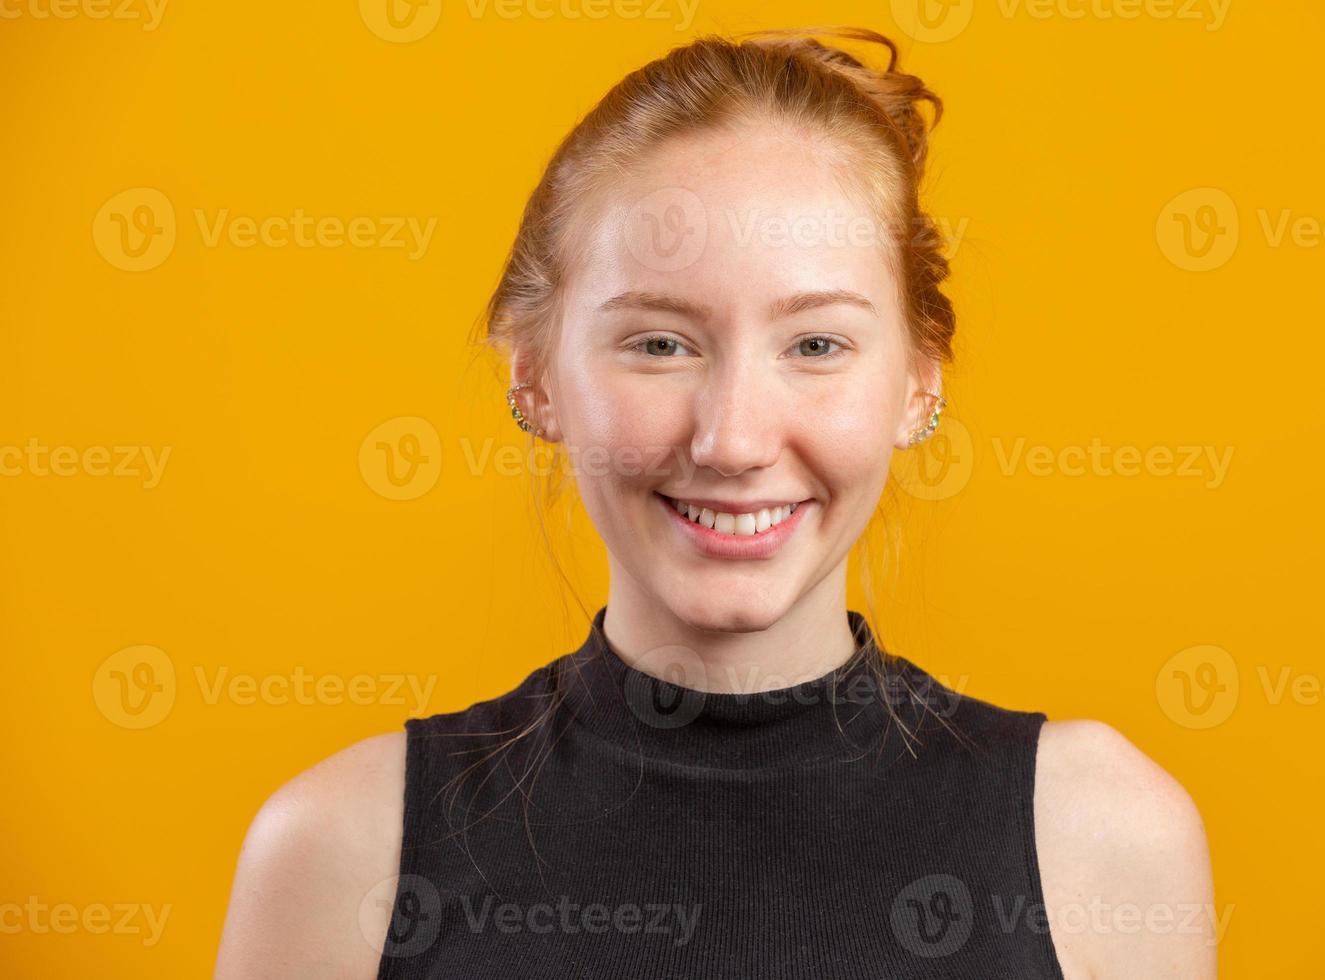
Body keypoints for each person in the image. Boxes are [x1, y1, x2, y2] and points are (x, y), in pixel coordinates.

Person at [215, 26, 1215, 979]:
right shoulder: (339, 850)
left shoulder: (1100, 834)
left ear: (919, 380)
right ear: (535, 376)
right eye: (660, 343)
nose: (733, 440)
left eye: (815, 344)